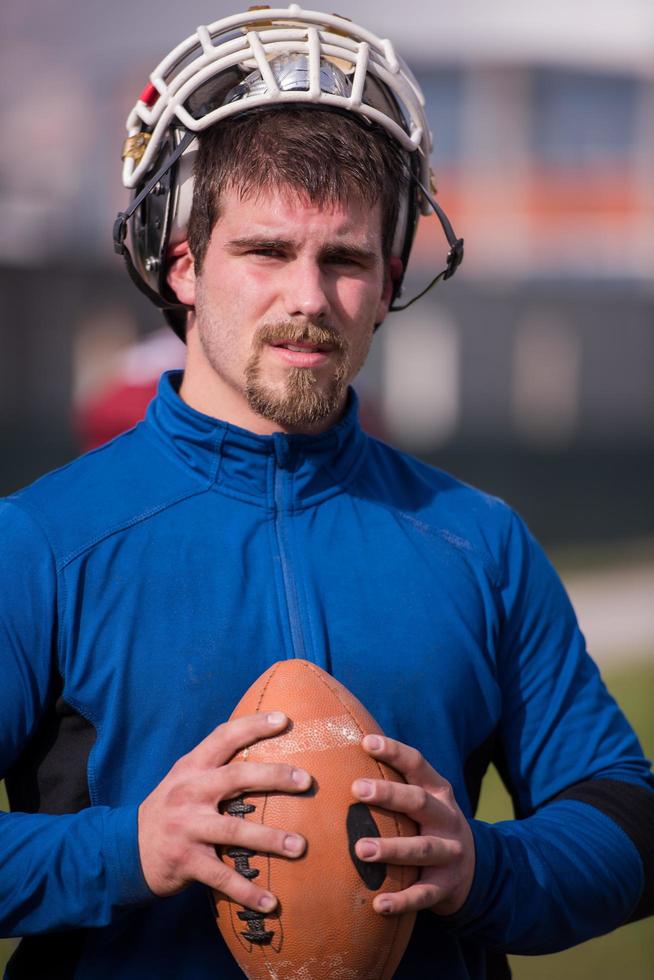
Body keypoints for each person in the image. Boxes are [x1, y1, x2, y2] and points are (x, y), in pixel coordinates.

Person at [1, 7, 652, 979]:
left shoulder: (480, 539)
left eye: (344, 259)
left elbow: (626, 819)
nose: (308, 297)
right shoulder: (41, 541)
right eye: (265, 252)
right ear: (183, 265)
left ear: (389, 282)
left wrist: (489, 863)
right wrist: (126, 850)